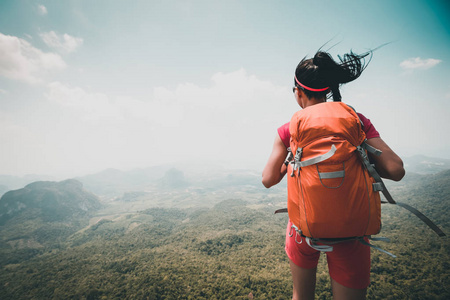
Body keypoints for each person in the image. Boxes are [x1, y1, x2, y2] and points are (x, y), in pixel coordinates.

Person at [262, 50, 405, 300]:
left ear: (298, 91)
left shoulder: (289, 129)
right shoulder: (357, 121)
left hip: (302, 230)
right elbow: (396, 170)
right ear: (328, 89)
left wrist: (291, 161)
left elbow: (268, 179)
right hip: (352, 234)